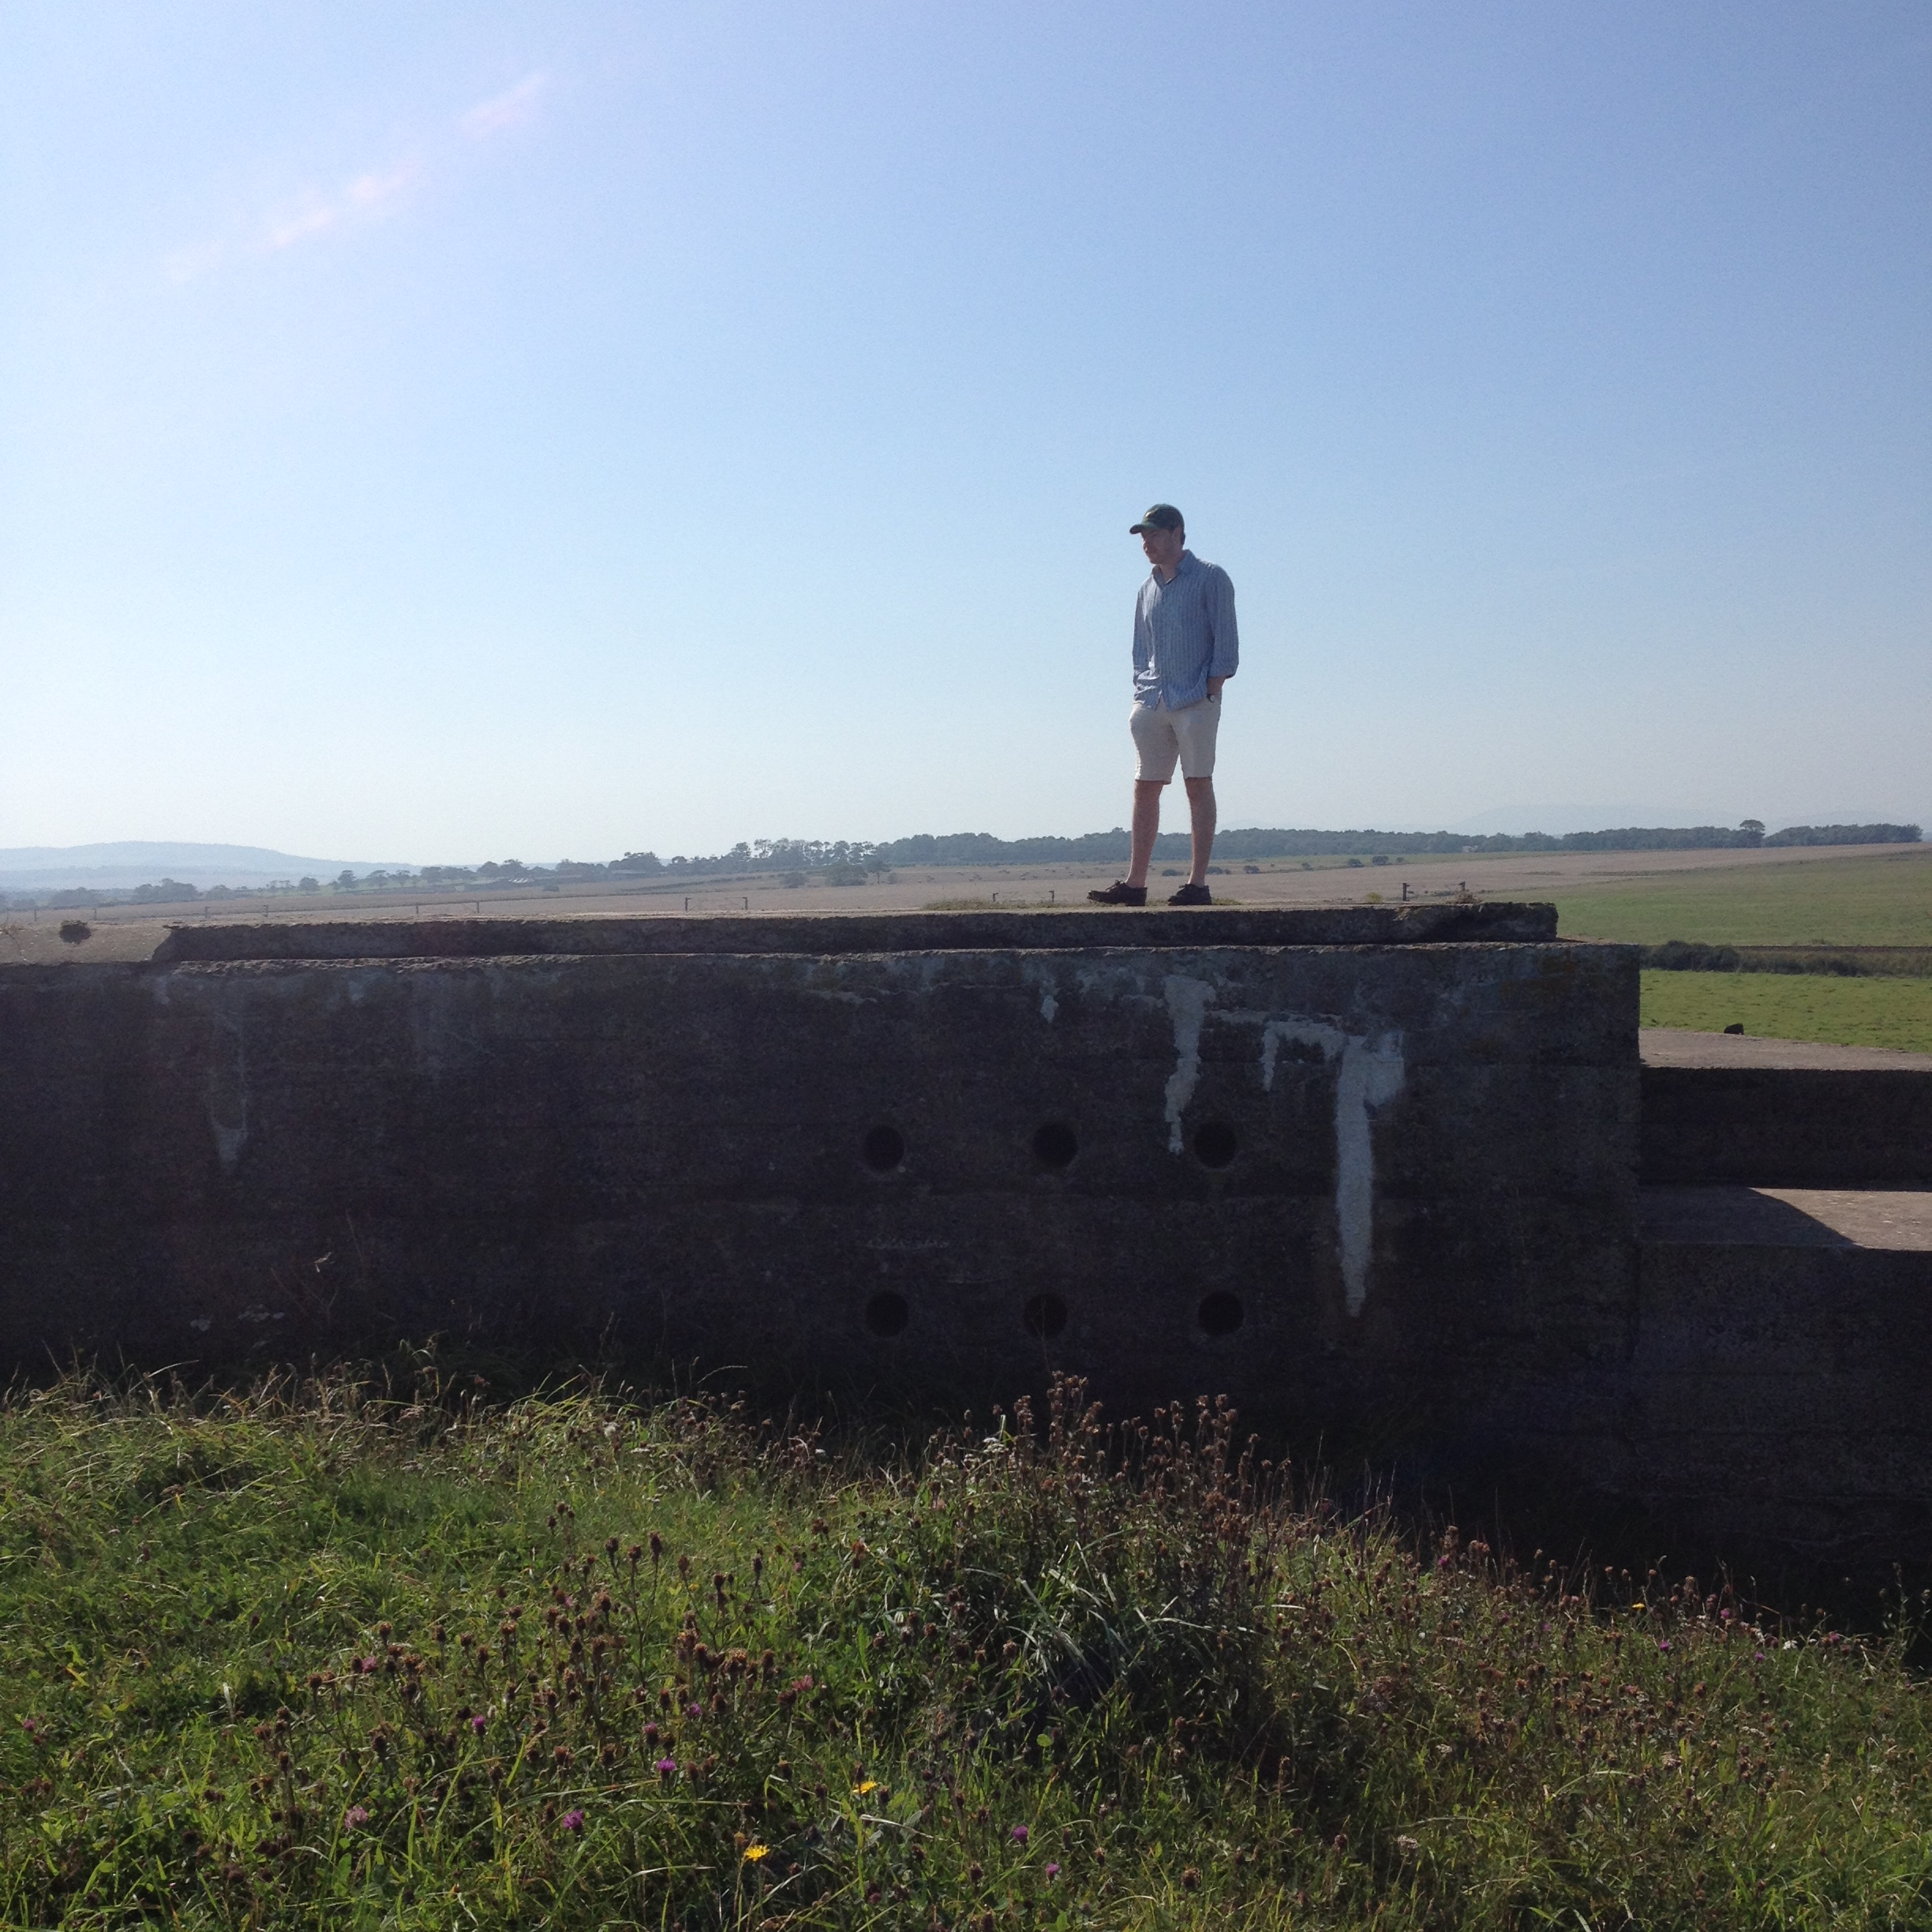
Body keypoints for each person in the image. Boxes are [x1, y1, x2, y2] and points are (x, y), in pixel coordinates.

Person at [1088, 504, 1238, 907]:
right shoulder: (1146, 588)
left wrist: (1211, 689)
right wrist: (1142, 690)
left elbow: (1226, 643)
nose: (1147, 544)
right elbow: (1141, 647)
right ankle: (1135, 885)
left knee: (1197, 785)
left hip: (1194, 699)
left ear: (1177, 533)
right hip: (1153, 699)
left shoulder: (1210, 578)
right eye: (1143, 537)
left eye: (1154, 535)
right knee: (1145, 788)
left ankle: (1197, 885)